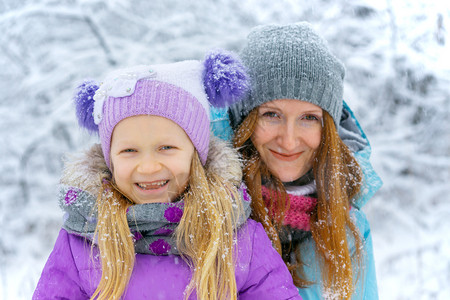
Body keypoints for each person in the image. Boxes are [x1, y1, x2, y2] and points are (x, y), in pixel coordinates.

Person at [33, 50, 301, 300]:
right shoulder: (83, 240)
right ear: (109, 160)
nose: (148, 167)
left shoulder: (238, 238)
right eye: (129, 150)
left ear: (195, 154)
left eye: (166, 148)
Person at [222, 23, 383, 299]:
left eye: (309, 118)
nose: (289, 140)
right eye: (271, 114)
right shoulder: (207, 212)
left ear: (328, 129)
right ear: (243, 120)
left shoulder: (348, 226)